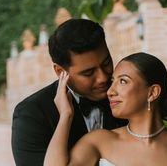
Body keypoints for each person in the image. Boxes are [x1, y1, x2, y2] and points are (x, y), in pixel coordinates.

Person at [44, 52, 167, 166]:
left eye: (123, 81)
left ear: (152, 92)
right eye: (113, 81)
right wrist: (66, 115)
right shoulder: (100, 141)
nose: (110, 91)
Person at [12, 19, 128, 166]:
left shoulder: (129, 97)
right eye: (88, 72)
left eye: (106, 63)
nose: (103, 77)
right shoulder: (32, 114)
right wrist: (66, 116)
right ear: (60, 71)